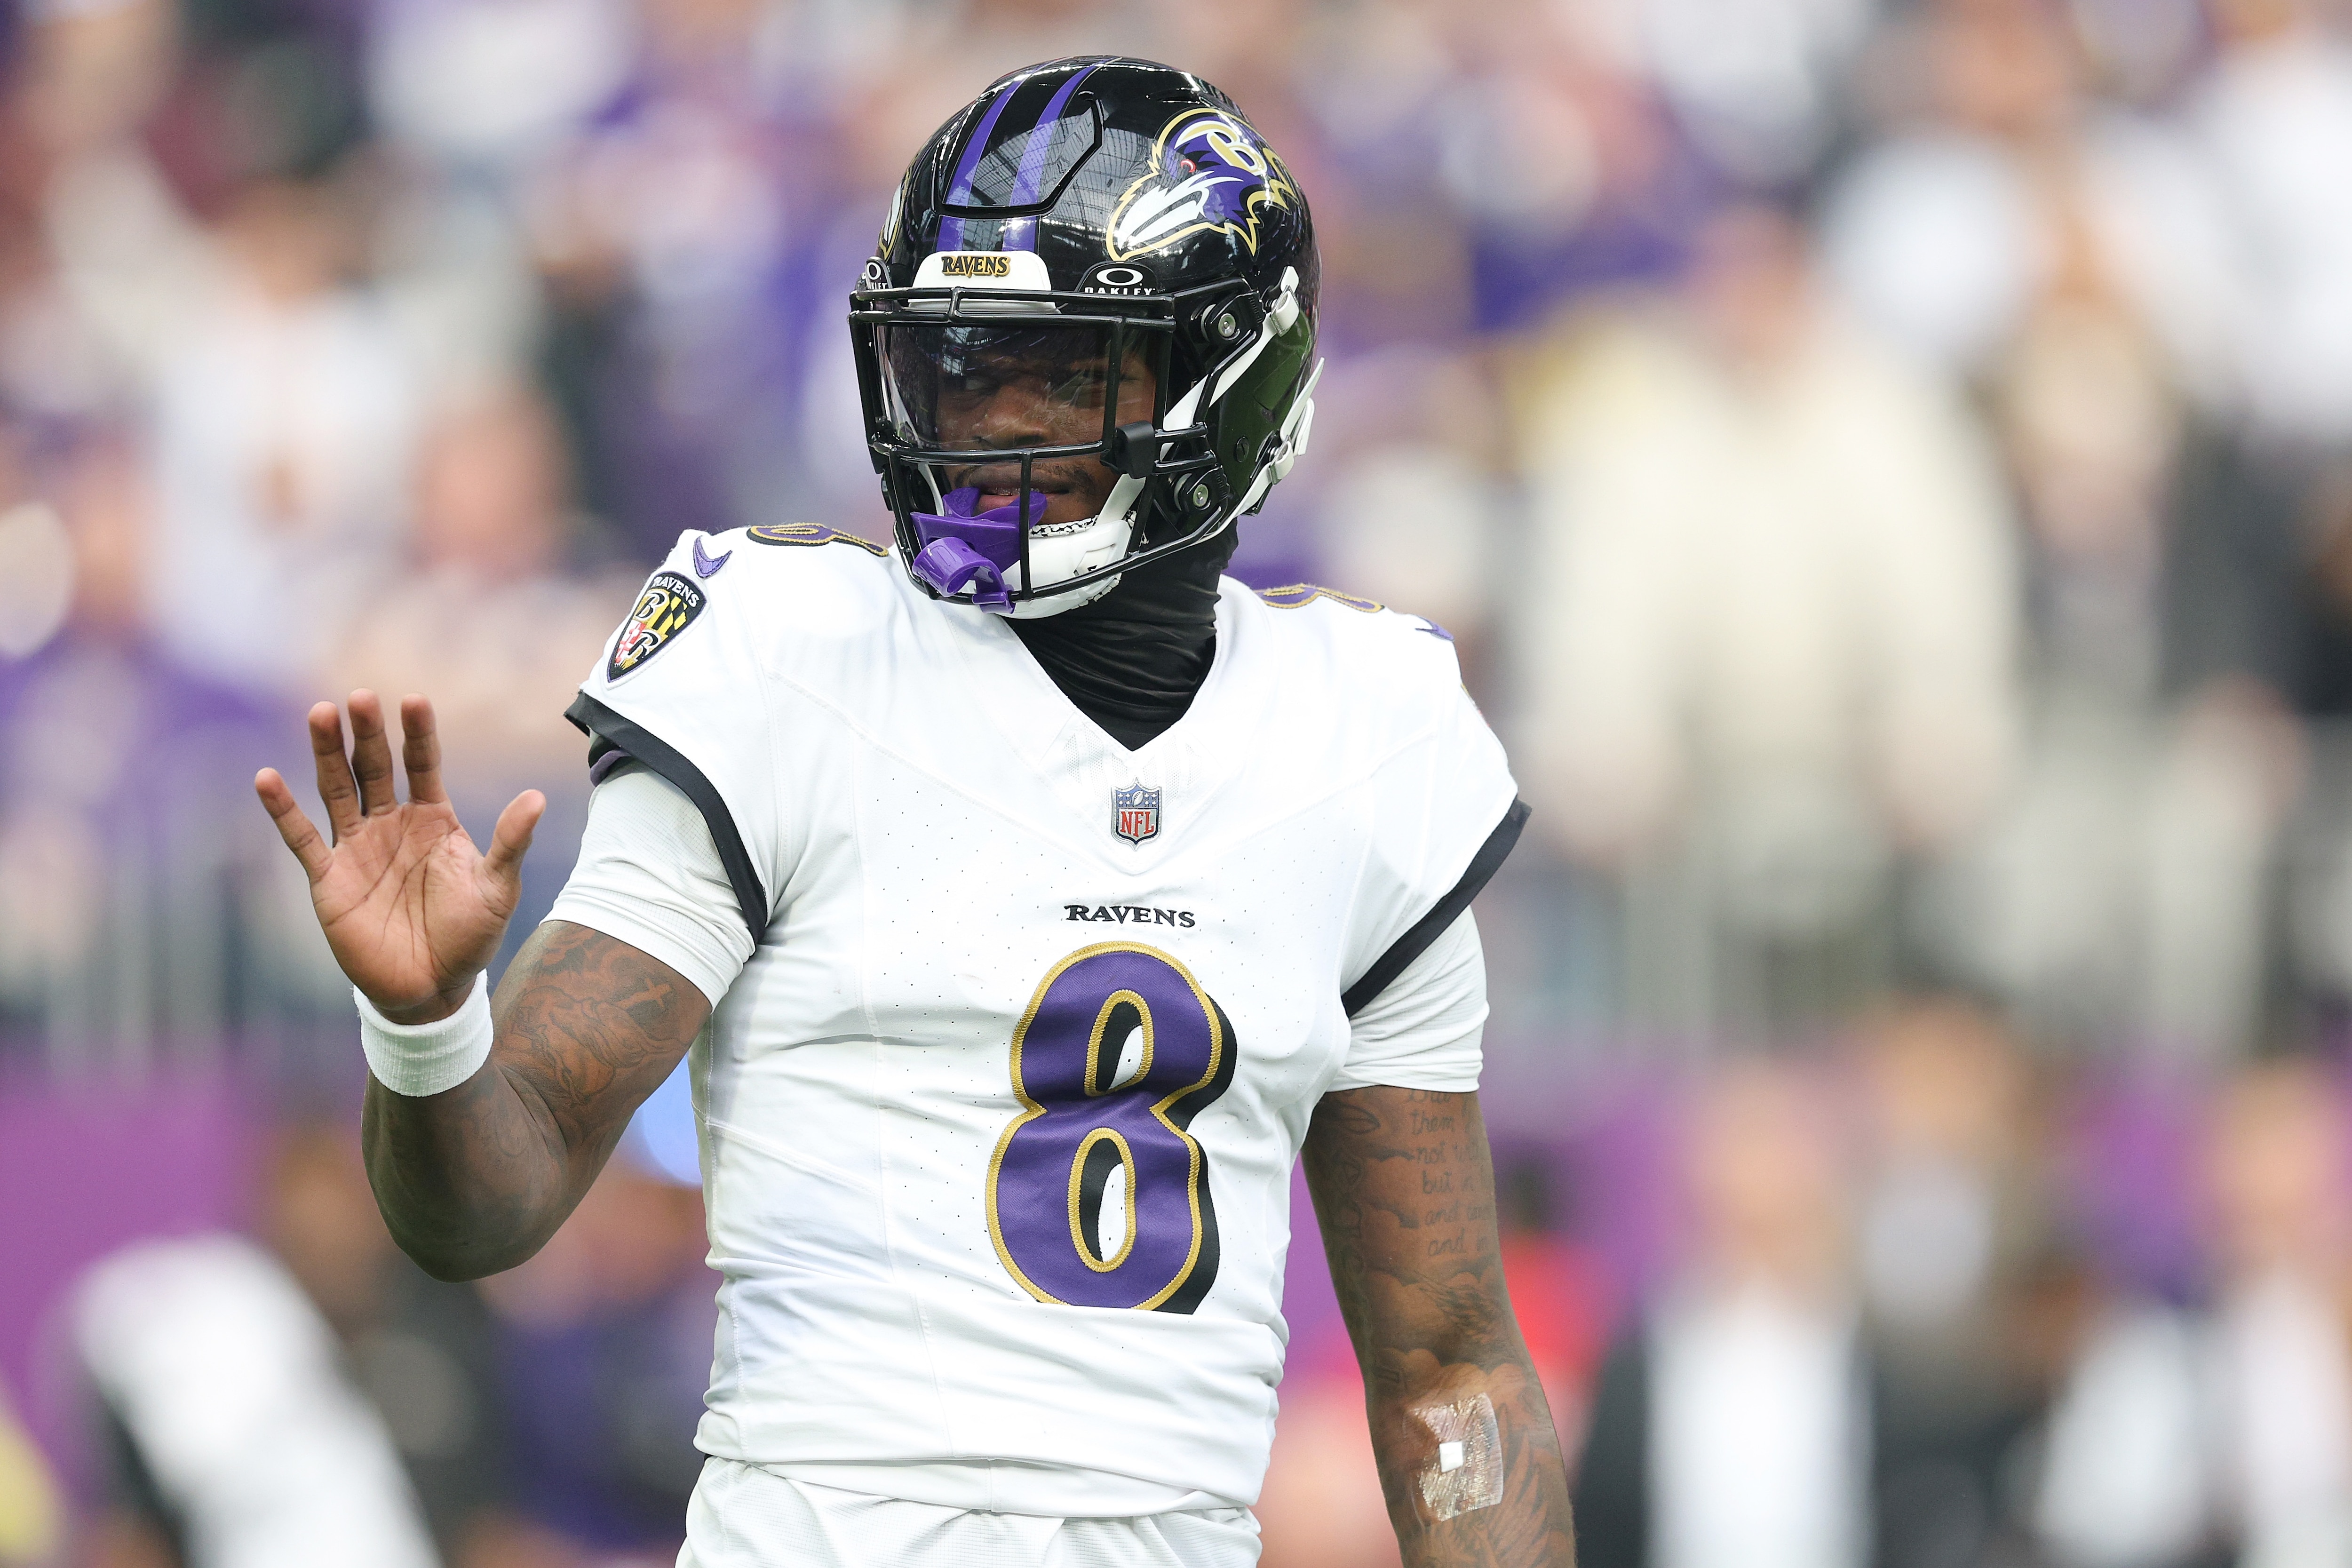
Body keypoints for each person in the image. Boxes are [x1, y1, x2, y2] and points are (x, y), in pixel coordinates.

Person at [254, 56, 1575, 1568]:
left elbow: (1448, 1373)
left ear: (1232, 379)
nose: (989, 418)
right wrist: (430, 1034)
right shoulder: (786, 656)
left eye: (1062, 370)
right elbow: (493, 1193)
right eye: (962, 362)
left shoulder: (1365, 735)